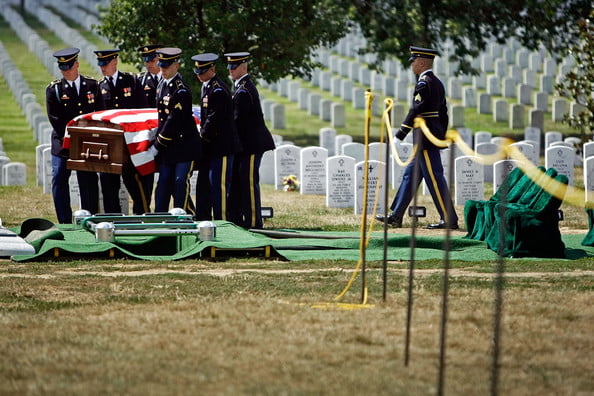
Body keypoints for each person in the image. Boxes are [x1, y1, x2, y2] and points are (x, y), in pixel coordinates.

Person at [376, 46, 459, 230]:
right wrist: (440, 133)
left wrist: (400, 135)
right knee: (410, 176)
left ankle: (449, 219)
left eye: (413, 61)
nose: (412, 64)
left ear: (421, 62)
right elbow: (443, 113)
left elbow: (415, 110)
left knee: (435, 178)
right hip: (427, 138)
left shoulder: (425, 82)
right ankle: (396, 215)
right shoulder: (436, 82)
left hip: (425, 140)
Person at [94, 48, 153, 214]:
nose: (102, 68)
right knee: (109, 185)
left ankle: (142, 215)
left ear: (114, 62)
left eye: (105, 64)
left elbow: (142, 111)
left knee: (135, 183)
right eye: (100, 64)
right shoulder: (100, 86)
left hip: (130, 145)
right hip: (111, 146)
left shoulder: (131, 81)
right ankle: (113, 219)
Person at [46, 47, 99, 223]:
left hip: (86, 142)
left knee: (88, 181)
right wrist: (72, 139)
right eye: (63, 68)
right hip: (63, 143)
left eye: (69, 67)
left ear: (77, 64)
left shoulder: (91, 85)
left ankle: (88, 218)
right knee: (60, 179)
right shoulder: (55, 90)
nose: (66, 71)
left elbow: (98, 113)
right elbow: (56, 119)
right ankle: (65, 221)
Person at [225, 52, 275, 229]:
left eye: (234, 66)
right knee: (240, 181)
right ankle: (238, 219)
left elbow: (238, 119)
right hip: (244, 145)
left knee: (248, 182)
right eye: (229, 66)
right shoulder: (240, 87)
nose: (231, 70)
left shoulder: (245, 89)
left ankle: (254, 222)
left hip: (252, 144)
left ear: (243, 67)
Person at [191, 53, 242, 221]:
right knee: (203, 187)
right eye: (197, 71)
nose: (198, 74)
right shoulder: (207, 86)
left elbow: (214, 118)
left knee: (218, 188)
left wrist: (200, 137)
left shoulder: (218, 89)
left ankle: (223, 223)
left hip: (222, 147)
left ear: (212, 69)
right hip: (210, 148)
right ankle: (203, 221)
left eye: (202, 71)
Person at [151, 47, 202, 215]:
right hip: (168, 149)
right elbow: (161, 118)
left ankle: (185, 217)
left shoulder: (181, 90)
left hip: (184, 147)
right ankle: (159, 217)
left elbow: (174, 120)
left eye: (166, 66)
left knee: (180, 182)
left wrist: (157, 144)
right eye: (161, 65)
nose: (162, 69)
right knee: (164, 183)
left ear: (176, 66)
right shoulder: (161, 86)